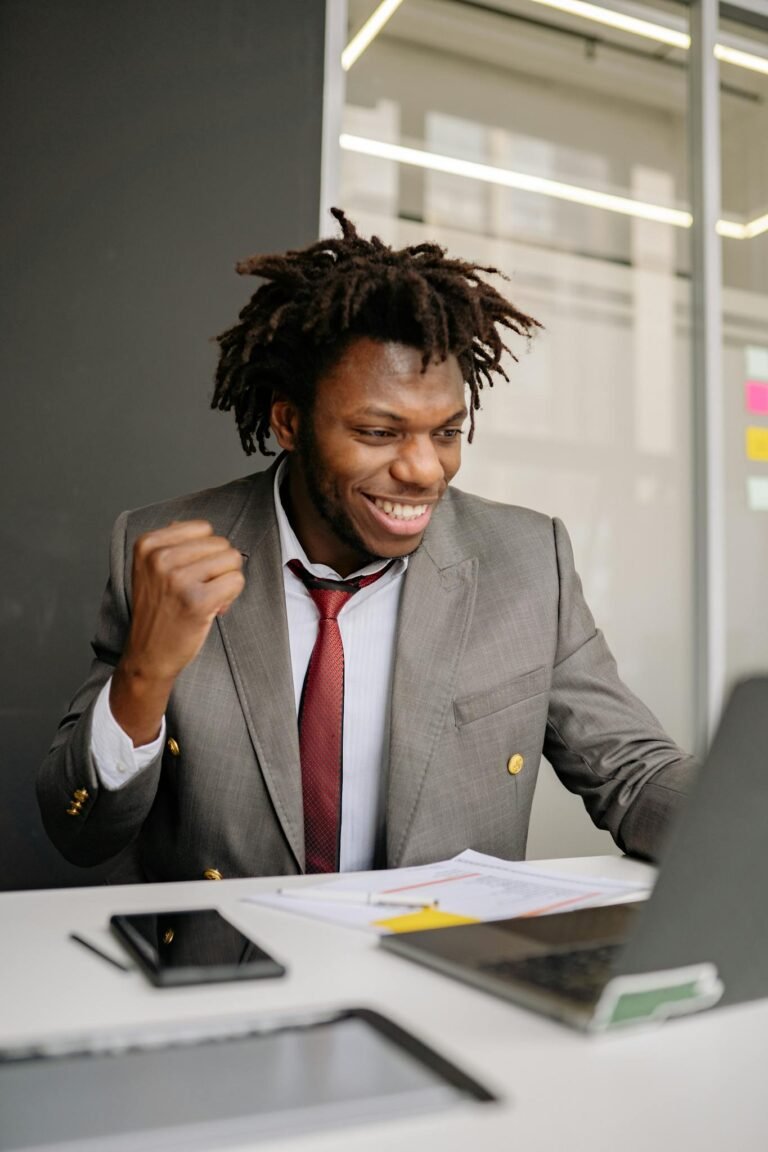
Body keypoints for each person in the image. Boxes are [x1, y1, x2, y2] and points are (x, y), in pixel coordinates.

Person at [37, 209, 695, 884]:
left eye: (445, 433)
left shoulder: (528, 561)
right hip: (229, 976)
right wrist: (144, 674)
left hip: (442, 965)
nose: (424, 469)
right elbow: (77, 832)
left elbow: (636, 774)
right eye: (380, 433)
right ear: (290, 422)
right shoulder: (159, 551)